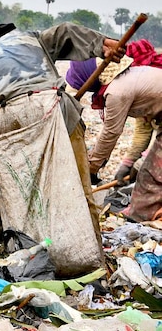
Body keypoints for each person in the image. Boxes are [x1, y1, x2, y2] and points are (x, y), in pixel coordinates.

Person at [0, 14, 123, 275]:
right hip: (51, 106)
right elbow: (64, 32)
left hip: (6, 119)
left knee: (13, 189)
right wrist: (103, 43)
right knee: (77, 180)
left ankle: (12, 252)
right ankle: (92, 259)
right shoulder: (28, 40)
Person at [65, 42, 162, 221]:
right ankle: (142, 213)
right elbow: (142, 131)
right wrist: (128, 163)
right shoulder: (130, 79)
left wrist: (91, 167)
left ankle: (138, 217)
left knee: (149, 175)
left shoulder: (117, 92)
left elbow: (111, 133)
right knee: (149, 172)